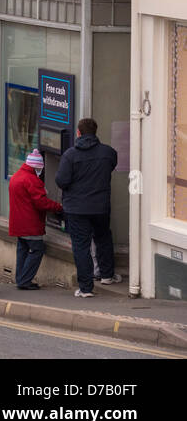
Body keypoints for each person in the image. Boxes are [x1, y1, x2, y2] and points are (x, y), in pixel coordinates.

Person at [56, 117, 120, 298]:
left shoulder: (70, 155)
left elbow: (61, 181)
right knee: (103, 238)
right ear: (95, 132)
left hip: (77, 209)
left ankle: (85, 288)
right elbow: (112, 166)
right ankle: (107, 275)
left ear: (78, 132)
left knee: (81, 246)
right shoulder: (108, 153)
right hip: (100, 206)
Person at [9, 149, 63, 291]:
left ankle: (20, 278)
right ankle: (25, 280)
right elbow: (41, 203)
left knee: (22, 250)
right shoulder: (32, 180)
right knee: (37, 250)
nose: (41, 170)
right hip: (30, 224)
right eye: (40, 168)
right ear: (36, 167)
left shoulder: (16, 176)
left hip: (18, 224)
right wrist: (59, 207)